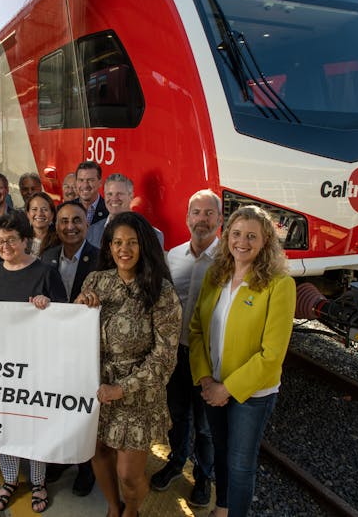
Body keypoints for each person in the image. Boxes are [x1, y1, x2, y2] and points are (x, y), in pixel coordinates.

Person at [188, 206, 295, 517]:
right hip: (213, 385)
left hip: (252, 395)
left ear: (265, 243)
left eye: (252, 236)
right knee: (221, 453)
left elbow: (272, 354)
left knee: (240, 464)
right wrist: (207, 380)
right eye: (236, 234)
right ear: (227, 237)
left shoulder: (279, 284)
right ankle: (222, 507)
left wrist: (227, 389)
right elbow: (196, 329)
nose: (242, 242)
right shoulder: (216, 274)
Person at [75, 211, 180, 517]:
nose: (124, 249)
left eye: (132, 242)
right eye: (117, 242)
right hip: (96, 388)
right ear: (108, 247)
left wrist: (121, 389)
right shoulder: (96, 281)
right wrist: (79, 307)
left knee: (129, 475)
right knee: (99, 452)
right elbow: (72, 332)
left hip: (138, 395)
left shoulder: (162, 292)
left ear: (144, 246)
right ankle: (112, 506)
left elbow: (164, 358)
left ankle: (131, 508)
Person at [0, 212, 68, 513]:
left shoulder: (45, 272)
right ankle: (10, 479)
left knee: (34, 422)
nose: (5, 245)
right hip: (1, 366)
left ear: (26, 240)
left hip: (37, 364)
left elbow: (65, 316)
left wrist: (48, 307)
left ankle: (38, 481)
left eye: (11, 239)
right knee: (6, 423)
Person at [152, 190, 222, 507]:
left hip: (209, 360)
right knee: (177, 415)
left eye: (209, 214)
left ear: (219, 220)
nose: (202, 219)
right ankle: (177, 463)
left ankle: (204, 477)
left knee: (206, 426)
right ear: (187, 218)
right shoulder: (173, 256)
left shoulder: (228, 262)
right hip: (177, 354)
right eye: (197, 213)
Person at [38, 201, 100, 496]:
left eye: (76, 220)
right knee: (57, 406)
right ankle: (62, 458)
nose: (70, 226)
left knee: (85, 410)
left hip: (88, 350)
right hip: (53, 349)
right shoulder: (47, 257)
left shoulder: (101, 259)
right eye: (63, 221)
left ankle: (87, 467)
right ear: (56, 225)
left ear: (86, 225)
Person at [87, 173, 163, 249]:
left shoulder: (152, 235)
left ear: (131, 196)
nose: (114, 199)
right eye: (109, 194)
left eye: (119, 194)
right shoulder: (90, 232)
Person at [68, 161, 108, 226]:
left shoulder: (109, 211)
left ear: (100, 182)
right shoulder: (66, 209)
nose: (85, 185)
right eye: (81, 180)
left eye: (90, 180)